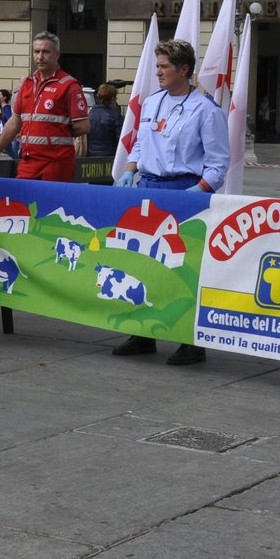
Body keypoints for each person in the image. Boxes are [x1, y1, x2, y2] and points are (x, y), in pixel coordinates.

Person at [111, 39, 229, 366]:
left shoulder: (205, 110)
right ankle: (143, 334)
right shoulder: (151, 103)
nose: (158, 72)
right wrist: (130, 171)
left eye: (164, 66)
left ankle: (190, 342)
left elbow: (219, 161)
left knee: (181, 269)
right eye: (158, 66)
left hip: (184, 190)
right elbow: (138, 145)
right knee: (141, 263)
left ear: (184, 70)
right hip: (147, 187)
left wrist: (200, 189)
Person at [0, 32, 89, 182]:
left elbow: (83, 126)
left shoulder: (69, 86)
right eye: (36, 52)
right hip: (28, 161)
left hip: (57, 163)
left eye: (45, 52)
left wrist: (56, 131)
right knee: (24, 204)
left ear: (57, 54)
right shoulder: (27, 84)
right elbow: (14, 123)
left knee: (53, 205)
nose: (40, 57)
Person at [87, 83, 122, 158]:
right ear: (112, 98)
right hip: (110, 154)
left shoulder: (90, 113)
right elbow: (120, 137)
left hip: (91, 154)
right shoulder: (115, 115)